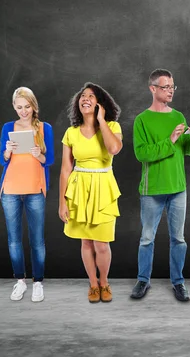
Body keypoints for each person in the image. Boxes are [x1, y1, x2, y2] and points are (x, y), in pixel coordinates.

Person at [130, 69, 190, 302]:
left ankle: (178, 282)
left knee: (179, 239)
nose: (171, 90)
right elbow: (142, 154)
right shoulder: (142, 120)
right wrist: (169, 140)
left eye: (173, 86)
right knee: (146, 238)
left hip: (178, 189)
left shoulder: (178, 116)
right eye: (166, 87)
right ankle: (143, 280)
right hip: (152, 191)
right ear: (153, 89)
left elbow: (188, 151)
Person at [58, 83, 123, 303]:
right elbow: (66, 169)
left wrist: (101, 120)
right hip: (79, 188)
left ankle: (104, 281)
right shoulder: (71, 132)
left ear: (100, 104)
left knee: (102, 243)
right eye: (82, 96)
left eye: (91, 96)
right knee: (86, 242)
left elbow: (114, 149)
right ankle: (93, 284)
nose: (85, 98)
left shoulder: (112, 126)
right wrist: (62, 202)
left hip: (103, 187)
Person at [0, 87, 55, 302]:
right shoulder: (7, 127)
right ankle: (20, 281)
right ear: (14, 107)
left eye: (27, 106)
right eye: (19, 107)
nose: (23, 111)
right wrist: (7, 151)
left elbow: (49, 161)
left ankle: (38, 282)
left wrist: (38, 154)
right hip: (10, 189)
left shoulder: (44, 128)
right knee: (14, 240)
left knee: (37, 240)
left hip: (35, 189)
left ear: (33, 105)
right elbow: (2, 160)